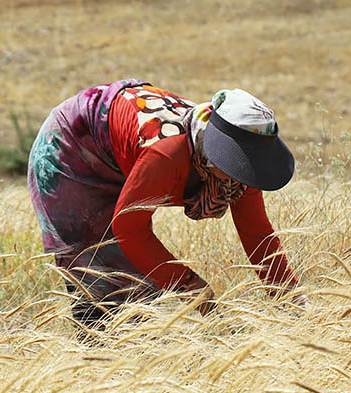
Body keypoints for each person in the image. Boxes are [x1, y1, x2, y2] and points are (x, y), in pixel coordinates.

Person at [27, 79, 305, 328]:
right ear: (214, 149)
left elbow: (257, 234)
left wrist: (291, 303)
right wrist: (191, 286)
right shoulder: (169, 153)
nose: (243, 174)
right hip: (72, 146)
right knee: (104, 283)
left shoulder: (242, 170)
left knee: (142, 299)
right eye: (238, 161)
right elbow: (130, 228)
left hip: (121, 153)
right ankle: (96, 368)